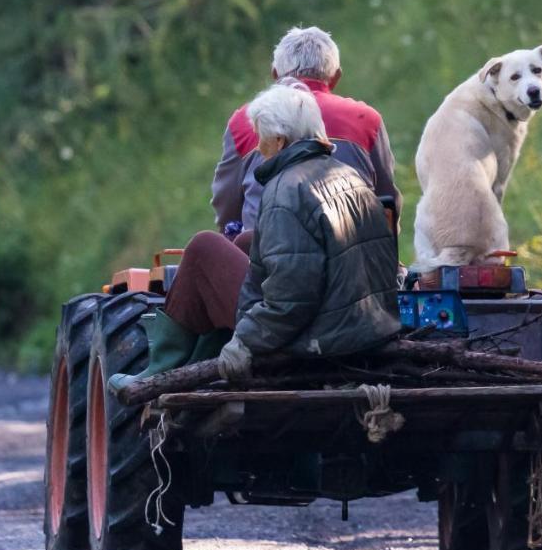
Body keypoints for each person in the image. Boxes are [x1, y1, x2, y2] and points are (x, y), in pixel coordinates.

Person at [109, 83, 401, 394]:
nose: (258, 148)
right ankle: (201, 355)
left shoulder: (286, 190)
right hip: (364, 329)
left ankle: (161, 370)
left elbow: (292, 299)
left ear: (279, 140)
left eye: (261, 138)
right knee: (249, 241)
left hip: (315, 341)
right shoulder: (348, 177)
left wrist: (246, 341)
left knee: (203, 247)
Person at [211, 26, 402, 234]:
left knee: (204, 243)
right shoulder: (365, 120)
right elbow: (387, 200)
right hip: (355, 252)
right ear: (336, 77)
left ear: (275, 74)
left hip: (262, 255)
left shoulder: (245, 121)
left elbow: (227, 206)